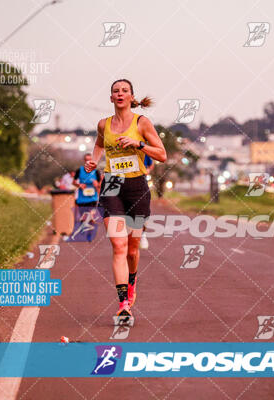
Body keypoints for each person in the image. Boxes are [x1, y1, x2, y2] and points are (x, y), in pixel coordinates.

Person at [85, 79, 166, 319]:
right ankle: (123, 304)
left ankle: (132, 282)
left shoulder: (142, 123)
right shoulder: (103, 124)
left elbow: (162, 154)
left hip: (136, 185)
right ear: (111, 98)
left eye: (124, 91)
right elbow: (99, 145)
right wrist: (93, 161)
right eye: (115, 91)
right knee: (118, 246)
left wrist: (138, 144)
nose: (120, 94)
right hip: (111, 184)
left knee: (132, 250)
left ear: (132, 97)